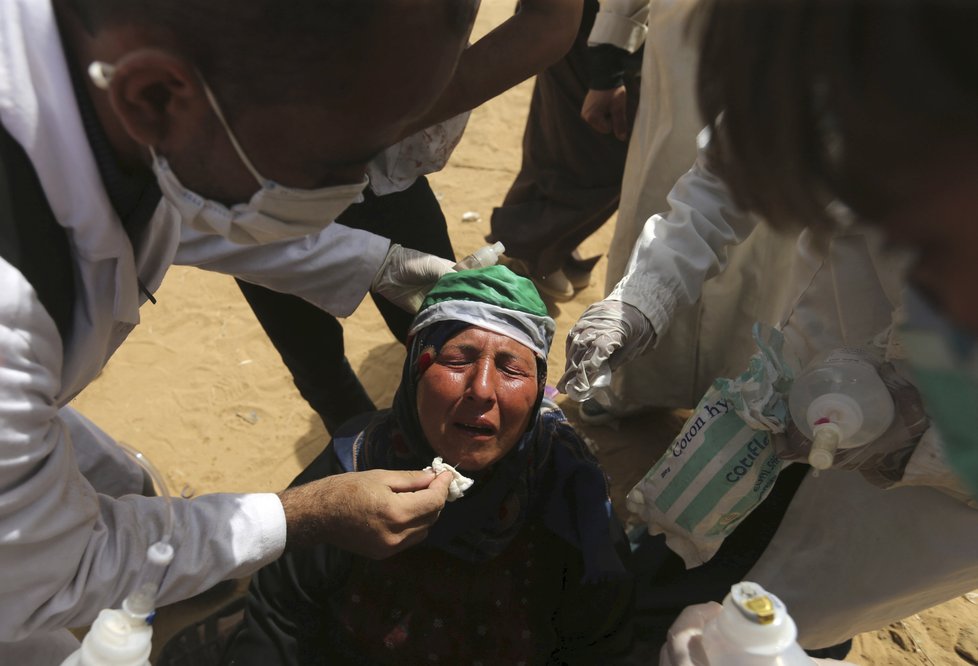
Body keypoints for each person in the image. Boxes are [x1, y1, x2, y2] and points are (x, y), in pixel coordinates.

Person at [0, 1, 482, 660]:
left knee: (123, 487)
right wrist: (305, 514)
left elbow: (182, 205)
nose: (354, 192)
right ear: (157, 96)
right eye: (332, 164)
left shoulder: (121, 96)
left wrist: (382, 264)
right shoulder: (10, 315)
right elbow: (46, 572)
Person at [564, 0, 978, 651]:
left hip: (913, 493)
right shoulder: (843, 47)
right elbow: (726, 174)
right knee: (683, 560)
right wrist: (647, 295)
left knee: (788, 611)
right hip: (805, 384)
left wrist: (911, 421)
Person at [160, 266, 633, 665]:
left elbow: (601, 643)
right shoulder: (354, 467)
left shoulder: (571, 494)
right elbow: (281, 611)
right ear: (414, 372)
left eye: (511, 369)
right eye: (456, 358)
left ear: (537, 393)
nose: (483, 389)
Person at [236, 0, 588, 431]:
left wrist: (391, 121)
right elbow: (207, 235)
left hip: (387, 175)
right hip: (256, 180)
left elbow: (550, 19)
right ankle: (359, 451)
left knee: (452, 333)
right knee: (316, 364)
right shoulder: (203, 194)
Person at [487, 0, 641, 301]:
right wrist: (608, 70)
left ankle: (551, 245)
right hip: (600, 20)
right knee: (594, 141)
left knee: (570, 134)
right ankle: (528, 251)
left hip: (626, 25)